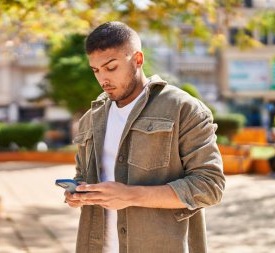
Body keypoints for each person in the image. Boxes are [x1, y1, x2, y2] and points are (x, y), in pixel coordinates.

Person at [64, 21, 225, 253]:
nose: (103, 79)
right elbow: (83, 176)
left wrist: (131, 196)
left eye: (111, 67)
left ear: (138, 60)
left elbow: (210, 187)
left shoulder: (184, 109)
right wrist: (77, 193)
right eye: (96, 70)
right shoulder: (91, 118)